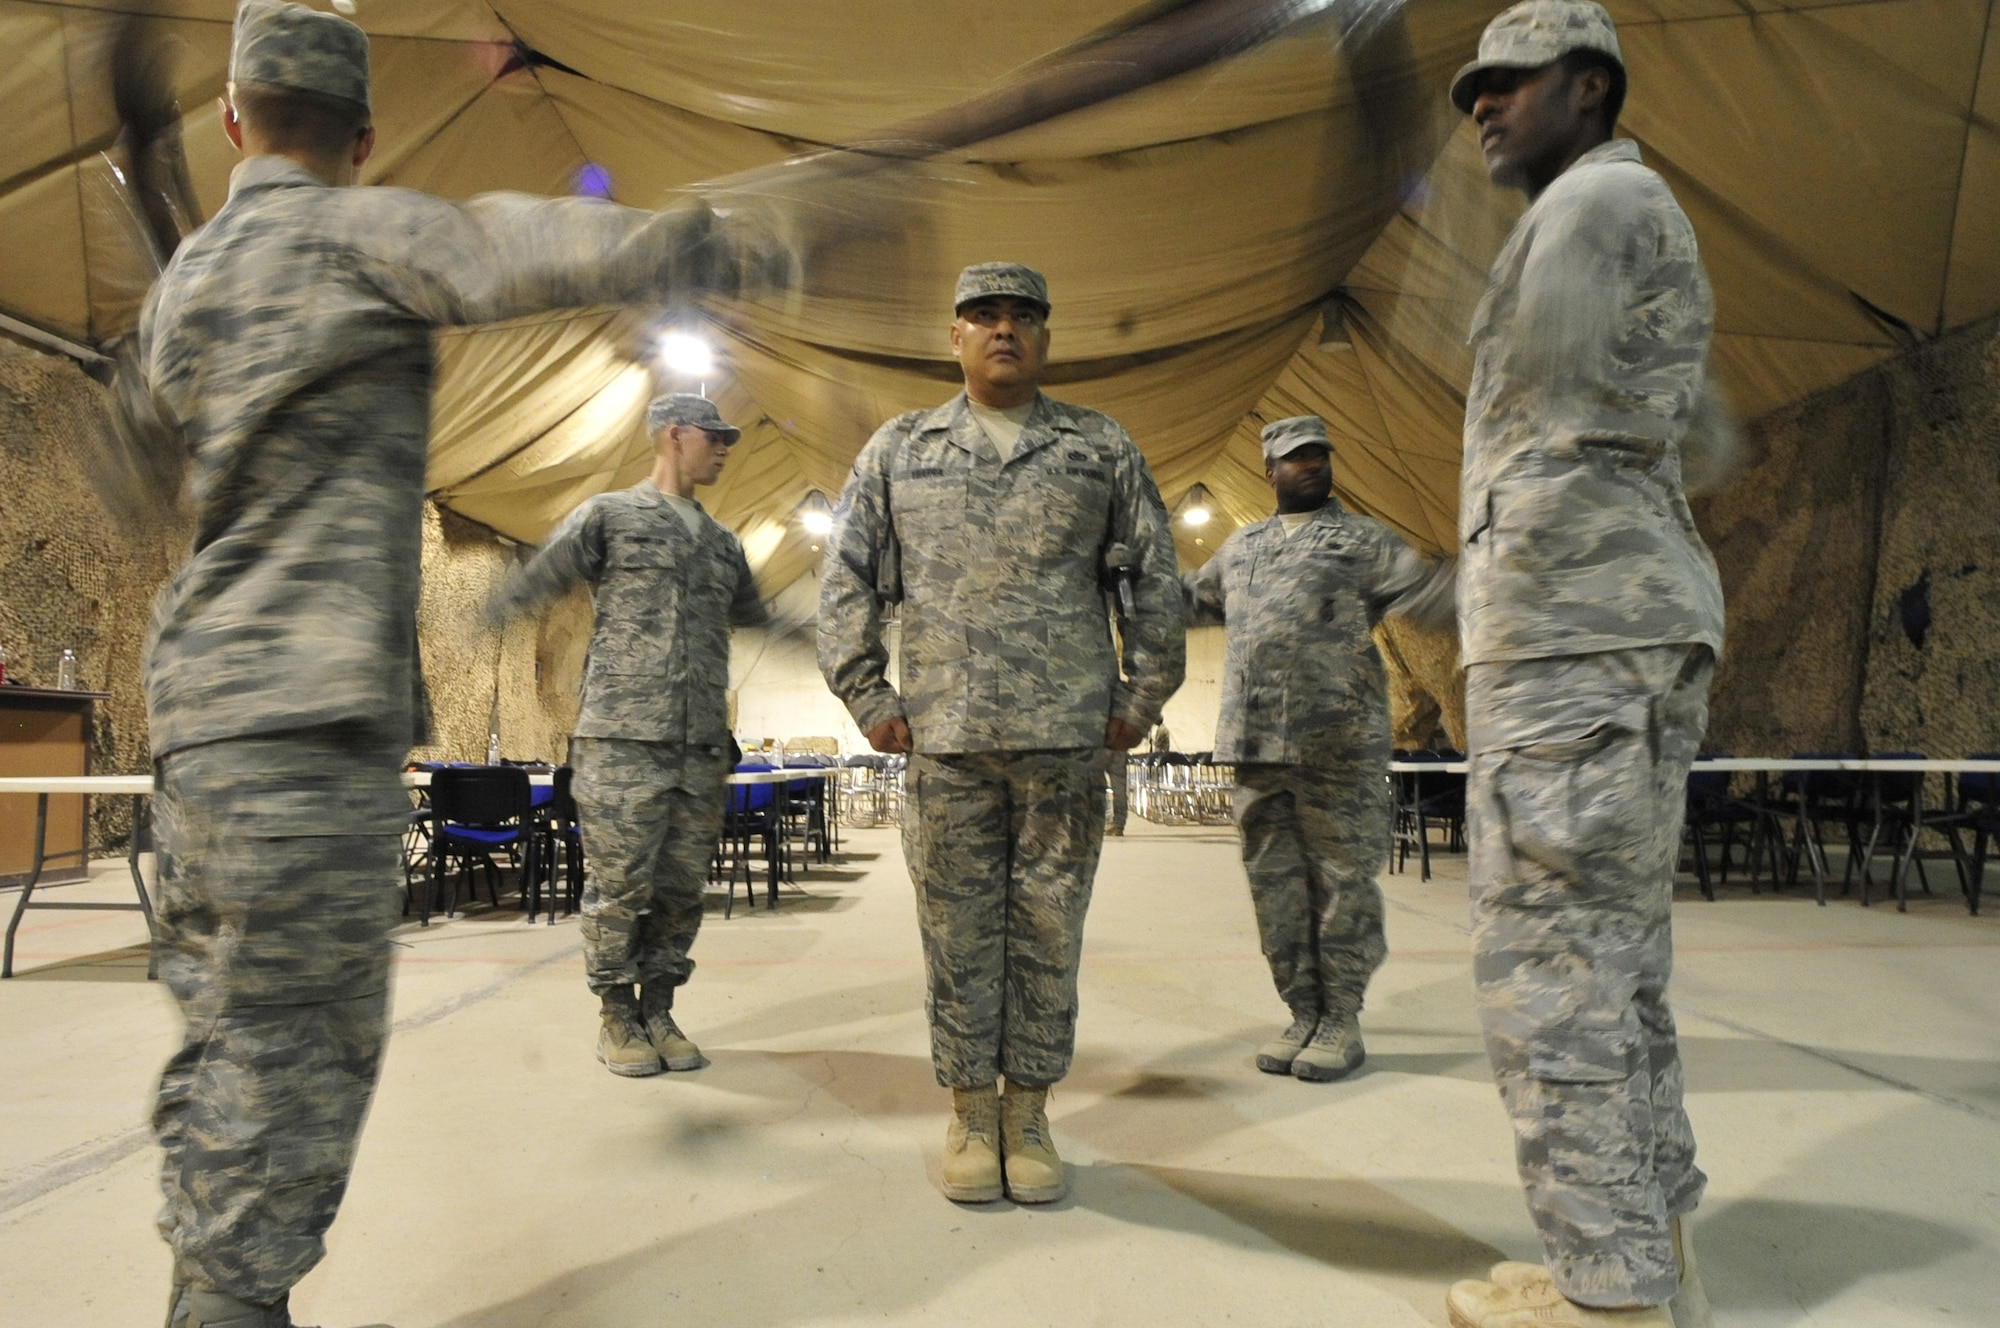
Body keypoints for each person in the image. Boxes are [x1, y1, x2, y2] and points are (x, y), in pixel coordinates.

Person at [133, 5, 799, 1324]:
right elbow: (519, 245)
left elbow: (148, 442)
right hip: (309, 718)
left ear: (231, 118)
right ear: (366, 136)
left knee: (225, 1026)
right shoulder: (359, 232)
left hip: (203, 712)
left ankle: (211, 1287)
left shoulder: (182, 287)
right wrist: (723, 238)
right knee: (302, 1044)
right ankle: (229, 1303)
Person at [1441, 4, 1724, 1325]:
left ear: (1590, 86)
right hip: (1618, 623)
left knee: (1550, 973)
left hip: (1570, 638)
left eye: (1510, 80)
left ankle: (1606, 1297)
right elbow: (1696, 432)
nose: (1481, 105)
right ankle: (1652, 1262)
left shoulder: (1589, 209)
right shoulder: (1625, 208)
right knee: (1619, 967)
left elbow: (1553, 393)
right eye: (1472, 90)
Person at [818, 262, 1184, 1205]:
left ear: (1046, 336)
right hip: (946, 744)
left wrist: (1141, 698)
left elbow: (1155, 579)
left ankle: (1030, 1111)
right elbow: (845, 578)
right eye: (983, 315)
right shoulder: (900, 449)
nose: (1004, 330)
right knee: (957, 938)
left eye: (1023, 316)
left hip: (1065, 741)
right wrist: (867, 694)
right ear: (955, 337)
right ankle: (972, 1112)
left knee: (1049, 936)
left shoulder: (1097, 446)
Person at [486, 394, 767, 1078]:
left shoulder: (724, 543)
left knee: (682, 889)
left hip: (700, 744)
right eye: (714, 437)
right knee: (619, 887)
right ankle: (617, 1015)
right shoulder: (609, 516)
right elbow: (536, 580)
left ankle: (660, 1010)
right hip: (621, 737)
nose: (724, 449)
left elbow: (758, 615)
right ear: (673, 436)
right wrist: (480, 619)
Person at [1183, 415, 1444, 1082]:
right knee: (1275, 887)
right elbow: (1185, 601)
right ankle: (1302, 1010)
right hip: (1256, 745)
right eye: (1297, 457)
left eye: (1319, 454)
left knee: (1342, 883)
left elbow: (1430, 592)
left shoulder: (1362, 540)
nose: (1312, 465)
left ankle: (1341, 1018)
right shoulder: (1240, 549)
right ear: (1269, 471)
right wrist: (1119, 574)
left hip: (1338, 745)